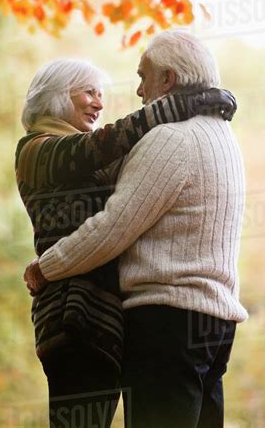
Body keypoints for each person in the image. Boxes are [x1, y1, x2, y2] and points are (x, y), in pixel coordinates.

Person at [24, 30, 248, 428]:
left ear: (169, 81)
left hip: (163, 321)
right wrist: (201, 100)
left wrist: (47, 265)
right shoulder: (39, 149)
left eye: (145, 77)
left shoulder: (171, 140)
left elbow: (114, 224)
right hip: (94, 320)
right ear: (58, 96)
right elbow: (108, 147)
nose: (140, 90)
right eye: (87, 92)